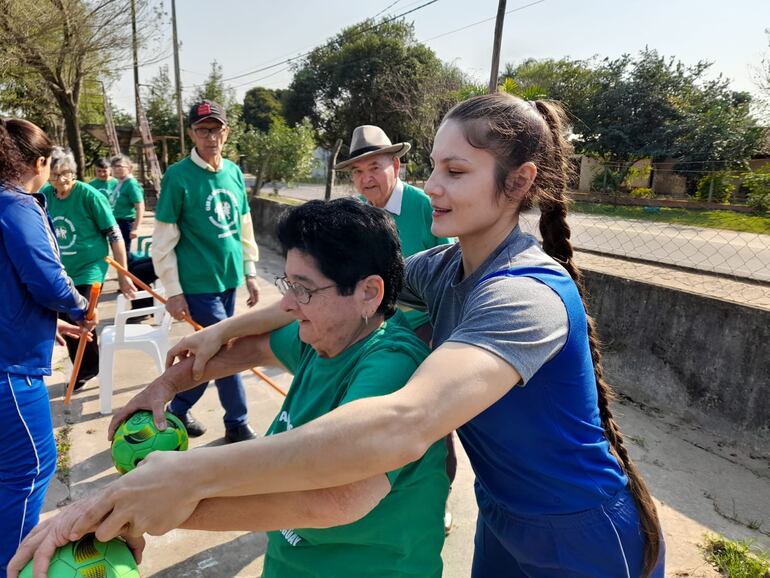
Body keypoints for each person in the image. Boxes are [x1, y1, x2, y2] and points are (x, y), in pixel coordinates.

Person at [12, 94, 667, 578]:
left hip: (581, 529)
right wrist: (220, 335)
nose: (432, 187)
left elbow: (400, 424)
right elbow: (327, 290)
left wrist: (187, 476)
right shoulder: (443, 270)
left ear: (518, 182)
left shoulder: (523, 294)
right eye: (434, 168)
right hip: (503, 518)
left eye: (457, 172)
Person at [9, 199, 449, 578]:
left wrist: (147, 508)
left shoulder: (391, 366)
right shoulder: (321, 335)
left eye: (304, 289)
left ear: (369, 293)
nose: (289, 305)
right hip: (292, 563)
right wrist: (163, 386)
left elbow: (336, 497)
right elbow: (247, 350)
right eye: (288, 284)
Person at [336, 124, 457, 531]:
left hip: (427, 328)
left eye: (375, 167)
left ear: (397, 165)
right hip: (380, 329)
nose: (367, 178)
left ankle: (437, 499)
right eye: (358, 172)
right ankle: (373, 493)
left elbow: (455, 269)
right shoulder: (359, 213)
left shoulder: (427, 207)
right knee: (376, 414)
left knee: (434, 420)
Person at [0, 118, 94, 575]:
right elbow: (47, 278)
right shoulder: (16, 204)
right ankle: (12, 565)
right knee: (33, 468)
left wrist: (47, 323)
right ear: (38, 163)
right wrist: (76, 306)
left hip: (11, 347)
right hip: (9, 371)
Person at [151, 99, 260, 443]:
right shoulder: (178, 177)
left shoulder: (233, 173)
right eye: (202, 130)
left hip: (228, 279)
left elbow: (244, 225)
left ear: (226, 132)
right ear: (191, 133)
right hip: (197, 285)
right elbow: (163, 240)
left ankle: (178, 409)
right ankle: (237, 422)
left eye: (216, 129)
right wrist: (173, 291)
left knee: (210, 352)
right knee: (226, 352)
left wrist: (250, 271)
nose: (210, 137)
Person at [41, 147, 136, 390]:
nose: (61, 180)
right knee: (64, 317)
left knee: (80, 314)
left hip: (90, 268)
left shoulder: (89, 195)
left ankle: (85, 371)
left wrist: (123, 275)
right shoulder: (45, 195)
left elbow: (114, 235)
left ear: (73, 172)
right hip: (62, 270)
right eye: (54, 175)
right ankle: (87, 366)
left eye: (66, 173)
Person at [108, 154, 145, 255]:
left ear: (129, 167)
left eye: (120, 166)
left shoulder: (131, 184)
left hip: (125, 223)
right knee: (117, 255)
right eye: (114, 167)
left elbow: (140, 207)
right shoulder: (118, 183)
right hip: (115, 222)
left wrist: (136, 228)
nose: (116, 169)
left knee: (123, 255)